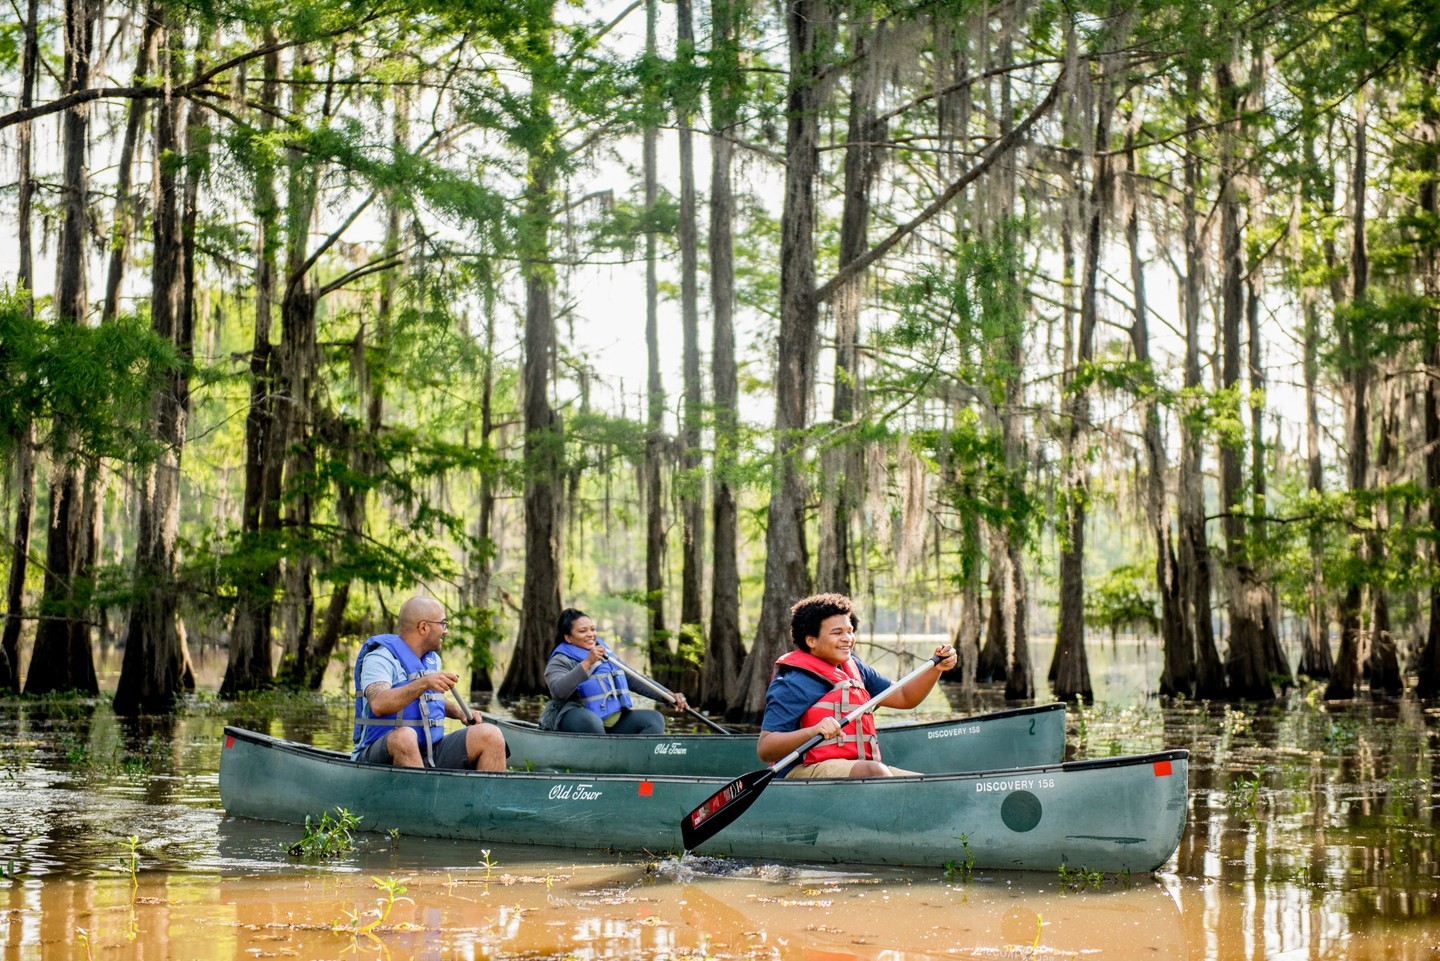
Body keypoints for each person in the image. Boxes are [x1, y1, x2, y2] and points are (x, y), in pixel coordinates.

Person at [757, 592, 957, 778]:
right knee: (875, 772)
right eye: (837, 633)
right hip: (799, 771)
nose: (847, 639)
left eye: (850, 631)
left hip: (854, 768)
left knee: (922, 783)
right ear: (811, 640)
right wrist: (813, 731)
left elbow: (905, 696)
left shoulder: (855, 669)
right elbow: (765, 748)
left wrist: (936, 668)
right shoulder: (792, 683)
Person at [352, 596, 507, 770]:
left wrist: (460, 713)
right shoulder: (380, 658)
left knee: (491, 734)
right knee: (405, 737)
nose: (446, 631)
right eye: (443, 623)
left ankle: (487, 797)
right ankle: (426, 795)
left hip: (429, 751)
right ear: (423, 627)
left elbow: (428, 699)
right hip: (379, 754)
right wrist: (424, 682)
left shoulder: (431, 660)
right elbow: (379, 704)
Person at [539, 608, 690, 734]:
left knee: (654, 720)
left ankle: (636, 762)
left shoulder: (606, 654)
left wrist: (667, 695)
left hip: (611, 721)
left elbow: (635, 679)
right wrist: (587, 663)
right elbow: (558, 690)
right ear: (568, 638)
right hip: (576, 718)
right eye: (583, 631)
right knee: (591, 721)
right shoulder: (560, 660)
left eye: (593, 629)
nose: (591, 634)